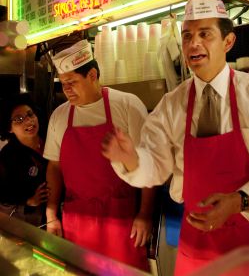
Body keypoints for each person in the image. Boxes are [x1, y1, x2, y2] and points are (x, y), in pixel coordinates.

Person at [102, 0, 249, 275]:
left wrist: (238, 201)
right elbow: (155, 165)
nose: (194, 43)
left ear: (228, 41)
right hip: (199, 248)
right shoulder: (171, 105)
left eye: (205, 34)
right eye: (186, 36)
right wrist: (131, 159)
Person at [44, 39, 155, 272]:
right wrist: (51, 212)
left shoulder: (127, 104)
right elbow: (55, 167)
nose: (66, 90)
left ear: (92, 75)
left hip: (121, 220)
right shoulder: (59, 116)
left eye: (72, 82)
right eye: (63, 84)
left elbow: (149, 162)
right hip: (76, 221)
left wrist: (145, 214)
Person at [0, 93, 49, 226]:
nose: (29, 121)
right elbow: (3, 193)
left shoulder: (50, 138)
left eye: (30, 114)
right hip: (33, 220)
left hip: (60, 211)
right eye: (19, 119)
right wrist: (28, 200)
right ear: (9, 128)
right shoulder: (8, 155)